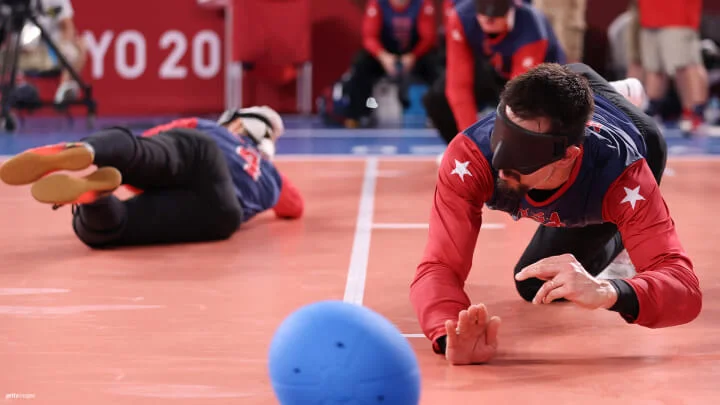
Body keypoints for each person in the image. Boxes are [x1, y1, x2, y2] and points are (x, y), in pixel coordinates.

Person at [409, 62, 702, 365]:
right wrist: (447, 335)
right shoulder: (472, 157)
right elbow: (439, 265)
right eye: (502, 136)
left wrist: (607, 291)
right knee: (536, 284)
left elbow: (685, 289)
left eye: (522, 152)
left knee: (543, 282)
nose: (500, 163)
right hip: (568, 83)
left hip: (636, 135)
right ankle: (604, 91)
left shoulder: (624, 176)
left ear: (566, 157)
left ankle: (622, 232)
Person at [0, 106, 304, 248]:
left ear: (236, 122)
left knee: (142, 152)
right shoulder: (273, 178)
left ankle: (89, 151)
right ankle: (97, 201)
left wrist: (126, 165)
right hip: (222, 215)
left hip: (204, 155)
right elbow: (296, 207)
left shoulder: (210, 129)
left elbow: (152, 143)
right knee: (117, 229)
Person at [423, 0, 566, 145]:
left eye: (497, 13)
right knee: (437, 99)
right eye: (483, 11)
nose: (489, 18)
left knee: (539, 113)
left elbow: (519, 95)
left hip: (537, 82)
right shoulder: (461, 17)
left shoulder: (532, 27)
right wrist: (472, 141)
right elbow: (458, 85)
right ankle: (461, 152)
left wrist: (504, 146)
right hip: (495, 70)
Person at [342, 0, 441, 128]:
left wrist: (414, 55)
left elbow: (428, 37)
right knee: (361, 62)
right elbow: (369, 37)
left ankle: (437, 114)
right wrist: (383, 56)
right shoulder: (377, 4)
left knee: (435, 65)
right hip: (384, 54)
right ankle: (356, 114)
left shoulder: (423, 4)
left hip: (414, 54)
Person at [17, 0, 88, 104]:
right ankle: (19, 87)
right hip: (23, 51)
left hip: (52, 52)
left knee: (79, 47)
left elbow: (67, 25)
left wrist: (64, 46)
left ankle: (65, 88)